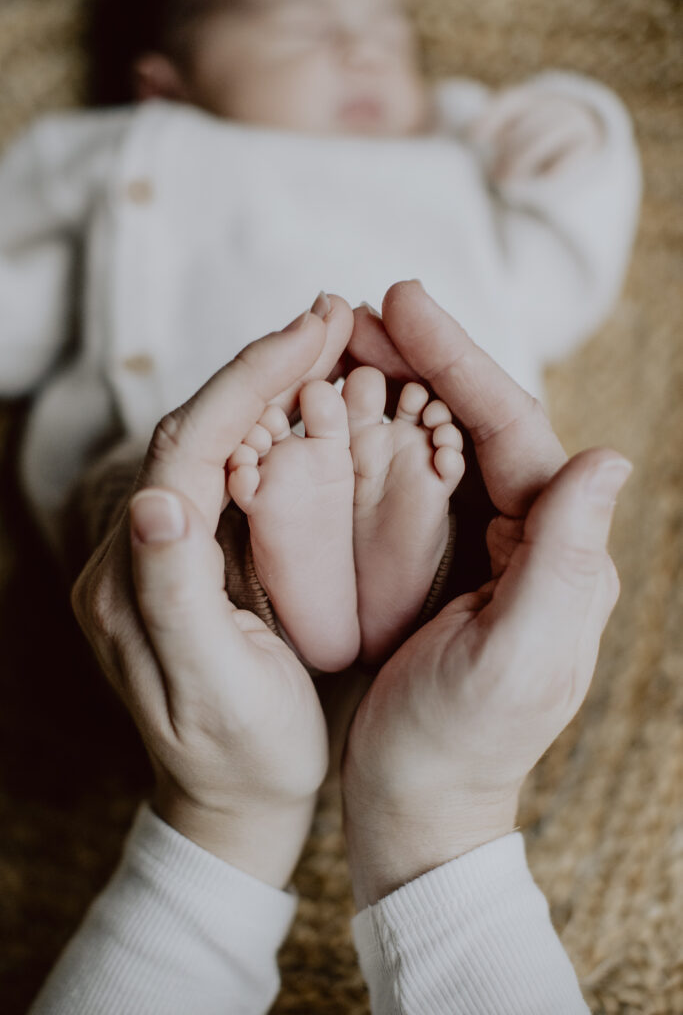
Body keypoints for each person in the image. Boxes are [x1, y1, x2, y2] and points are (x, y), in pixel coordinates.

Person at [29, 283, 632, 1014]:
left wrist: (225, 812)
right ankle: (393, 584)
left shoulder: (117, 165)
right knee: (141, 507)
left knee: (143, 518)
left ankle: (264, 585)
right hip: (420, 420)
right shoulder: (459, 181)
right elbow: (574, 264)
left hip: (213, 421)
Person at [0, 0, 640, 583]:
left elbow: (563, 287)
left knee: (449, 490)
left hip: (436, 471)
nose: (365, 51)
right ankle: (268, 577)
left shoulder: (461, 153)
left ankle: (400, 564)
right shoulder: (127, 154)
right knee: (146, 497)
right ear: (166, 87)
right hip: (173, 460)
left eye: (391, 32)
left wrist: (579, 148)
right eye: (303, 27)